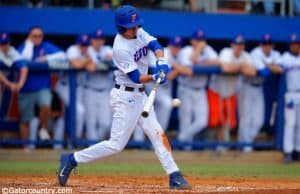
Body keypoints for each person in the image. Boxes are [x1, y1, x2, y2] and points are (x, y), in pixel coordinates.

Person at [57, 5, 190, 190]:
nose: (135, 29)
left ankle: (174, 175)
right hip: (124, 96)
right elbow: (135, 77)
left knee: (157, 133)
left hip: (141, 95)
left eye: (137, 25)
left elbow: (155, 45)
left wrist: (161, 62)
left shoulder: (139, 31)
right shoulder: (120, 48)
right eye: (131, 26)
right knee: (116, 145)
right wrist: (154, 76)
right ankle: (72, 159)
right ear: (121, 27)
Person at [18, 26, 66, 148]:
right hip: (26, 88)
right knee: (25, 120)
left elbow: (62, 55)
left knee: (45, 104)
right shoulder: (24, 47)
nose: (37, 38)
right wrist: (29, 44)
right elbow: (24, 59)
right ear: (29, 36)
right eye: (34, 36)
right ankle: (26, 148)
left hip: (43, 86)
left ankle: (43, 128)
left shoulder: (45, 46)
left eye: (40, 36)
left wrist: (47, 58)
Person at [209, 35, 254, 153]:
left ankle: (222, 145)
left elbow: (252, 72)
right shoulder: (226, 52)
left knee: (229, 122)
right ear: (232, 45)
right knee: (215, 121)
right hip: (217, 90)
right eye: (237, 44)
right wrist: (241, 66)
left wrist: (237, 67)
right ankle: (214, 144)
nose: (239, 47)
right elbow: (225, 68)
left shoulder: (246, 56)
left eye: (241, 44)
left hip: (230, 92)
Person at [238, 34, 280, 153]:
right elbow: (264, 72)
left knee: (259, 121)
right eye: (264, 44)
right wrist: (272, 66)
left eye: (268, 44)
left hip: (258, 87)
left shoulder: (275, 54)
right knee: (246, 119)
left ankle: (246, 142)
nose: (266, 46)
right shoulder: (255, 54)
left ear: (272, 45)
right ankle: (245, 147)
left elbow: (281, 68)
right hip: (246, 86)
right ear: (260, 45)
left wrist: (269, 66)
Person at [176, 30, 218, 144]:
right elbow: (190, 65)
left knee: (202, 121)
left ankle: (181, 139)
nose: (200, 42)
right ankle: (186, 148)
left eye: (202, 40)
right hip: (186, 88)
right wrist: (199, 50)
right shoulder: (186, 51)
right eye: (197, 40)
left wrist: (202, 63)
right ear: (191, 40)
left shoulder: (208, 50)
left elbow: (217, 62)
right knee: (186, 120)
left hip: (200, 90)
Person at [55, 34, 94, 140]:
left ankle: (73, 141)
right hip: (64, 87)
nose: (84, 47)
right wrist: (87, 60)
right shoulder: (72, 49)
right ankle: (72, 140)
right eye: (82, 45)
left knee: (74, 114)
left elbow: (92, 68)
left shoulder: (88, 51)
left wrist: (85, 60)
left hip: (78, 88)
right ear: (78, 44)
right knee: (77, 112)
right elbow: (76, 65)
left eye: (86, 45)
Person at [268, 34, 300, 163]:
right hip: (291, 94)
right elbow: (273, 67)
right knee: (290, 123)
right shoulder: (285, 58)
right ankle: (288, 152)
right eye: (293, 44)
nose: (295, 46)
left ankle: (298, 151)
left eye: (297, 44)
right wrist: (280, 68)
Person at [84, 29, 114, 141]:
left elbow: (112, 59)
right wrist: (101, 62)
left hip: (104, 91)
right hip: (90, 90)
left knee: (106, 123)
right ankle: (92, 145)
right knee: (91, 121)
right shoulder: (88, 50)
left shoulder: (107, 49)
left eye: (100, 39)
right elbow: (90, 67)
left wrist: (100, 62)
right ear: (91, 40)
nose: (98, 42)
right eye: (96, 39)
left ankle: (98, 143)